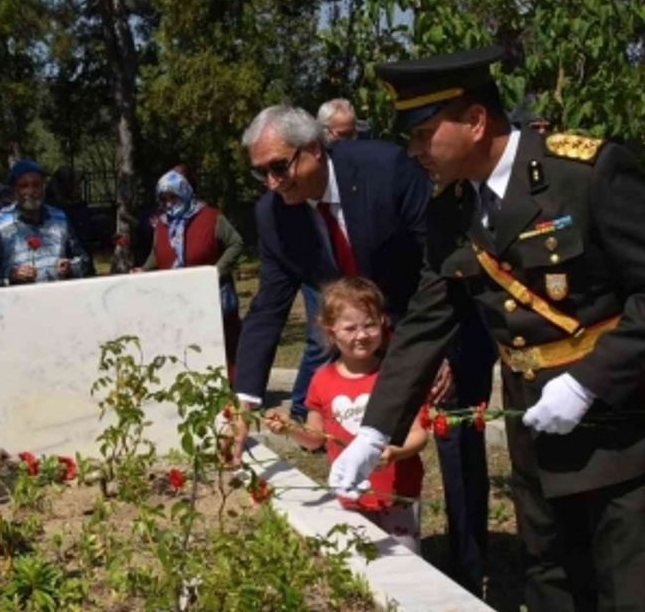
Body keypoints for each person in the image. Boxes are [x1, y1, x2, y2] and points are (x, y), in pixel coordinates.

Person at [329, 46, 645, 611]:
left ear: (476, 121)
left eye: (425, 133)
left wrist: (587, 382)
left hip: (612, 426)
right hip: (534, 433)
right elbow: (427, 323)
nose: (413, 150)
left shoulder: (582, 173)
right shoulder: (452, 210)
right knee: (551, 587)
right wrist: (376, 431)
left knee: (623, 595)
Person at [229, 104, 433, 449]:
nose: (273, 183)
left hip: (420, 314)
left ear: (313, 149)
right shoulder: (273, 214)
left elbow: (436, 258)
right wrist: (243, 404)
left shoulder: (385, 169)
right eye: (261, 173)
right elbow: (268, 308)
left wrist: (433, 346)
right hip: (360, 343)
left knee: (453, 435)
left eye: (279, 167)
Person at [264, 277, 428, 552]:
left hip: (398, 493)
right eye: (350, 328)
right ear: (330, 332)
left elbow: (419, 434)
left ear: (383, 322)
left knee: (406, 562)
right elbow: (315, 440)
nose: (362, 335)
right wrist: (290, 428)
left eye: (370, 325)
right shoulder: (321, 380)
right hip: (351, 498)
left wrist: (395, 453)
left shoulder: (396, 376)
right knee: (364, 566)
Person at [137, 168, 244, 381]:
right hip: (177, 302)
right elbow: (157, 254)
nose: (169, 203)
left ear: (185, 192)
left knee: (222, 351)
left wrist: (216, 271)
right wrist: (143, 270)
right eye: (164, 198)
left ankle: (232, 393)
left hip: (214, 299)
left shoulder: (211, 217)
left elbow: (236, 243)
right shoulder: (162, 224)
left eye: (173, 197)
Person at [0, 159, 91, 286]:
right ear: (15, 190)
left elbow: (84, 260)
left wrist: (71, 268)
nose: (30, 192)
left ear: (43, 187)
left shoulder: (60, 218)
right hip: (16, 301)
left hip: (57, 299)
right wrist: (10, 276)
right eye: (24, 186)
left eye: (36, 185)